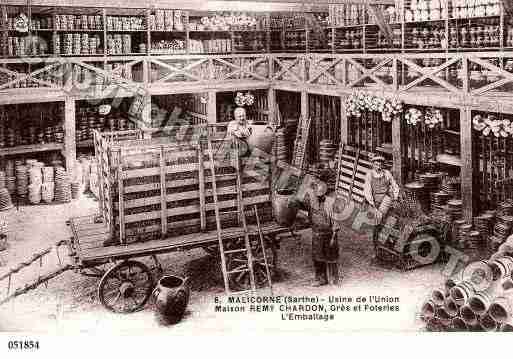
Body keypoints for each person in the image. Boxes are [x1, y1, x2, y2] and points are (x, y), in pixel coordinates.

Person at [290, 172, 341, 287]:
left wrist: (333, 237)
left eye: (321, 195)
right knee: (317, 257)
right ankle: (320, 279)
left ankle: (334, 280)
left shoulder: (330, 203)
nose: (319, 197)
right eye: (317, 195)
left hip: (329, 234)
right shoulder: (312, 202)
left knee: (332, 257)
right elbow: (298, 201)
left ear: (325, 194)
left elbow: (336, 221)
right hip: (317, 234)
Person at [363, 155, 400, 245]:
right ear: (373, 165)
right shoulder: (369, 174)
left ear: (382, 165)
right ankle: (376, 245)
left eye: (380, 164)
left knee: (391, 221)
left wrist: (395, 198)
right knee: (377, 224)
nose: (378, 166)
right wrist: (372, 204)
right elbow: (367, 190)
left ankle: (387, 242)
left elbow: (395, 186)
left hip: (386, 200)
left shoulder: (387, 173)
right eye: (376, 164)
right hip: (375, 202)